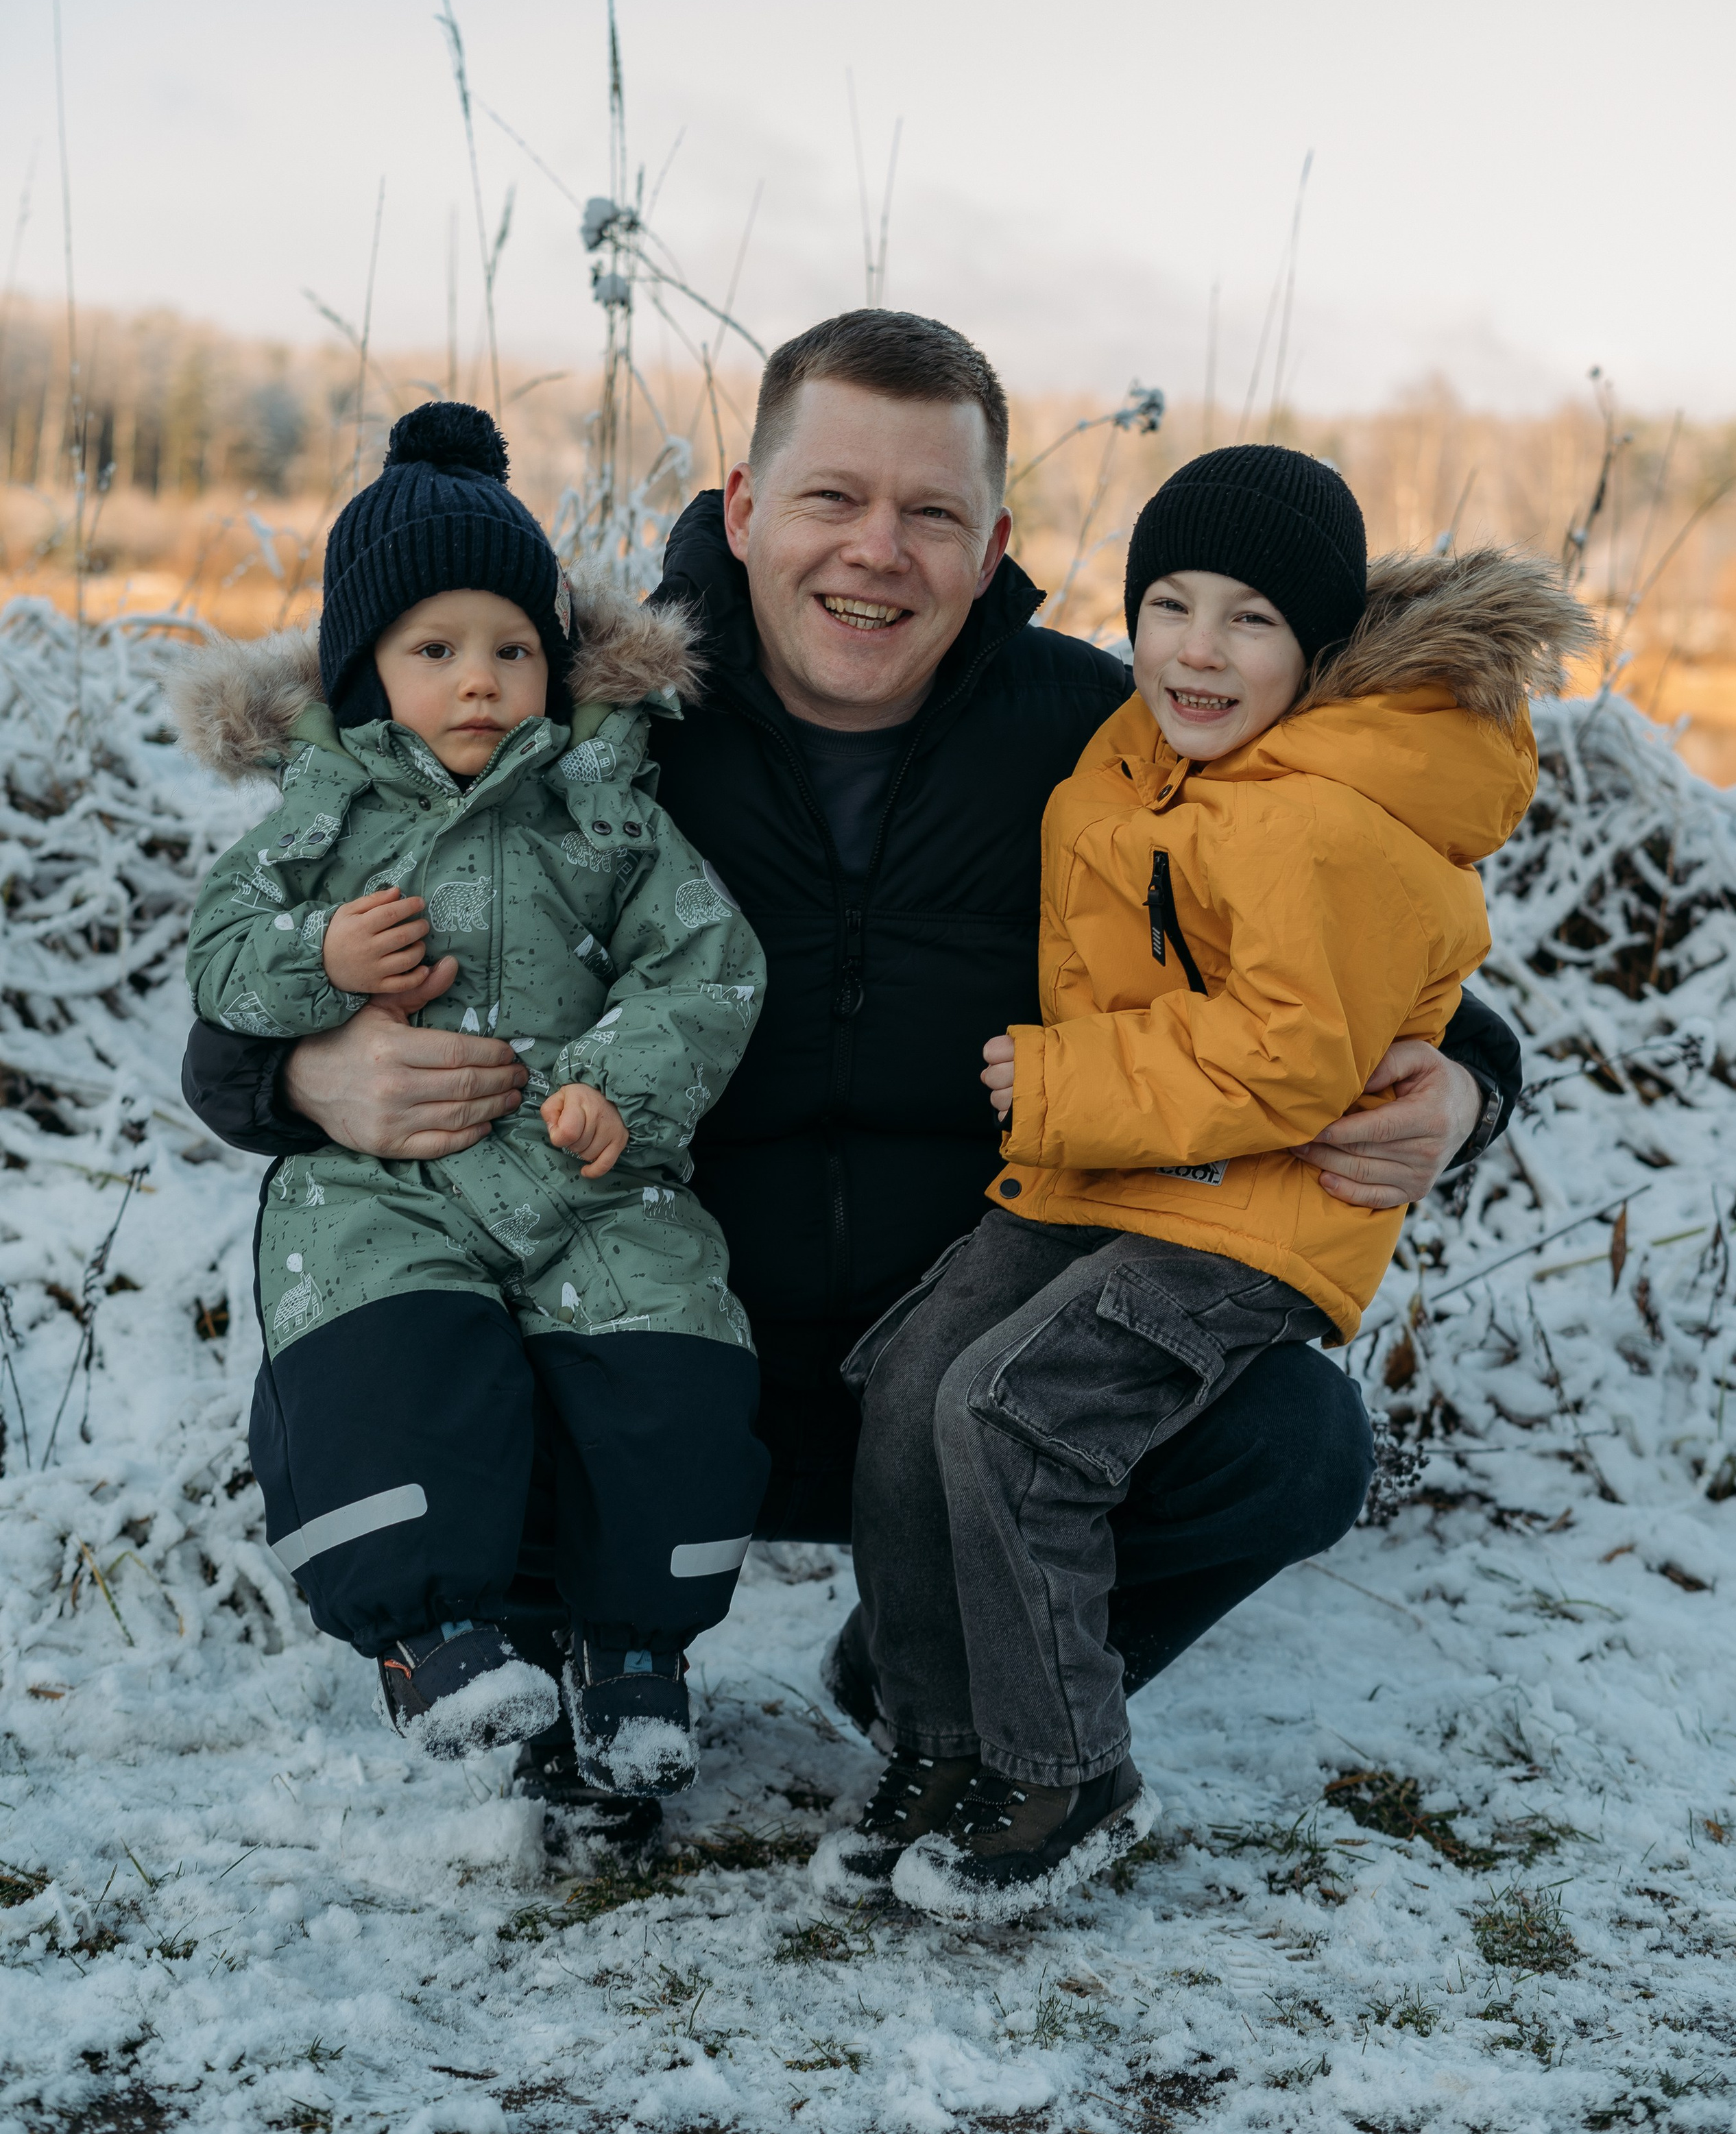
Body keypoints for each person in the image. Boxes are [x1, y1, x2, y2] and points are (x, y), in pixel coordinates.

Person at [178, 313, 1523, 1839]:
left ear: (992, 540)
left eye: (929, 512)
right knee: (427, 1328)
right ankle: (561, 1673)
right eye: (831, 500)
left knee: (1289, 1445)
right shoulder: (587, 733)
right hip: (652, 1342)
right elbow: (256, 988)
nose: (875, 552)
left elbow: (1363, 933)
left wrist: (1466, 1085)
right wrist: (302, 1083)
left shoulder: (1111, 742)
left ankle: (938, 1672)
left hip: (958, 1377)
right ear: (742, 510)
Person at [815, 445, 1589, 1920]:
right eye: (1166, 603)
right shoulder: (1137, 748)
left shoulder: (1319, 814)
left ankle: (1065, 1769)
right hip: (1108, 1173)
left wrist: (1059, 1084)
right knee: (914, 1375)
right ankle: (933, 1743)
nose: (1195, 646)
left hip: (1248, 1205)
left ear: (1318, 648)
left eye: (1247, 619)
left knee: (1009, 1404)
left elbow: (1301, 1058)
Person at [173, 402, 769, 1792]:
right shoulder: (316, 818)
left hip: (577, 1162)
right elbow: (217, 960)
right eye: (434, 651)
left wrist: (621, 1087)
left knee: (662, 1341)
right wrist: (316, 963)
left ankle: (637, 1655)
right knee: (393, 1354)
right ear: (367, 671)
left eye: (512, 649)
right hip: (383, 1176)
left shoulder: (604, 806)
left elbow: (704, 959)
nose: (480, 681)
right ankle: (431, 1640)